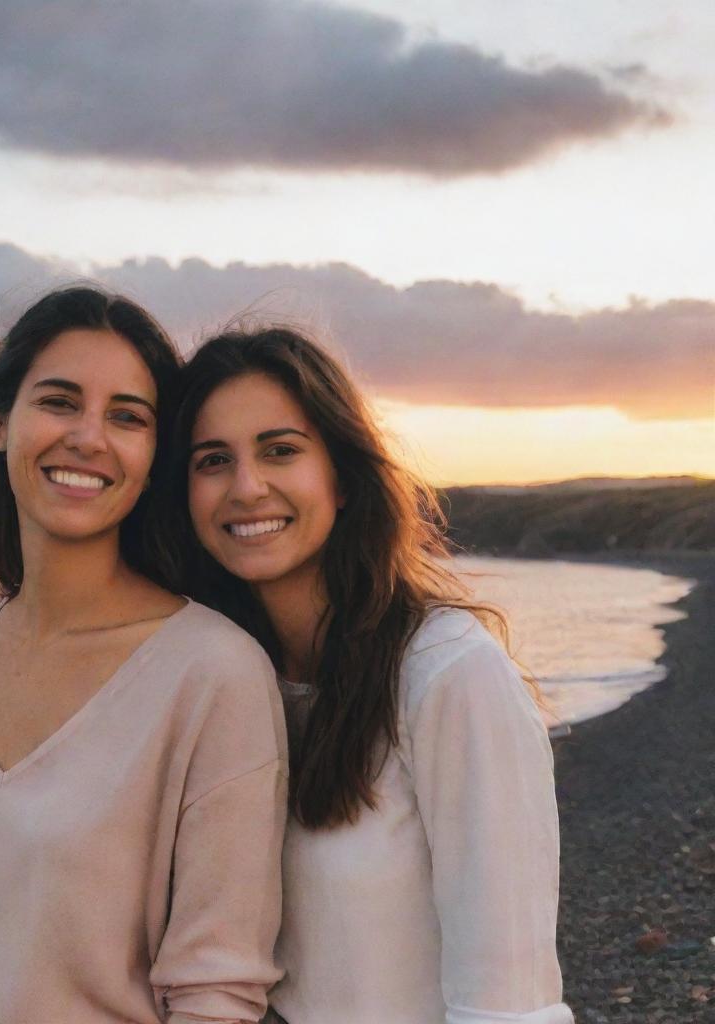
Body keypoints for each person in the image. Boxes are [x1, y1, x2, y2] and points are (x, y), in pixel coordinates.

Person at [168, 325, 572, 1024]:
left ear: (345, 477)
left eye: (280, 450)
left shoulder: (448, 672)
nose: (247, 487)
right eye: (212, 460)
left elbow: (511, 1001)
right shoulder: (217, 679)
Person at [0, 287, 288, 1024]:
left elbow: (220, 991)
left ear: (152, 459)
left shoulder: (213, 670)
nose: (88, 438)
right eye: (59, 402)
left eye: (127, 417)